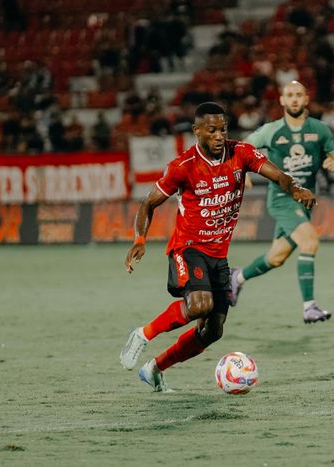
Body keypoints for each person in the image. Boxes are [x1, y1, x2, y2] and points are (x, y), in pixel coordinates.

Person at [119, 102, 315, 392]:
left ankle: (155, 368)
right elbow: (149, 203)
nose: (220, 135)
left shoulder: (241, 153)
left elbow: (277, 175)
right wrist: (139, 239)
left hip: (218, 255)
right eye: (212, 130)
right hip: (188, 248)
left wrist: (295, 188)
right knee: (200, 304)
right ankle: (142, 334)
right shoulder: (182, 167)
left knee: (213, 331)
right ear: (197, 131)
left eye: (223, 129)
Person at [229, 81, 334, 324]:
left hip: (305, 203)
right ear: (281, 100)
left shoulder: (320, 129)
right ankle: (309, 307)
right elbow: (242, 149)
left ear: (306, 99)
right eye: (289, 95)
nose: (294, 99)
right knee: (310, 242)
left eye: (298, 94)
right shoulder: (272, 131)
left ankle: (237, 278)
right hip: (282, 199)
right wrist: (242, 173)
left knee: (276, 257)